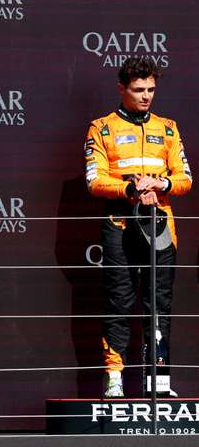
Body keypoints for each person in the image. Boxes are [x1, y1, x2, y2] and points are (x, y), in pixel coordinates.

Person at [84, 56, 191, 397]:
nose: (146, 96)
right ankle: (114, 379)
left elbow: (185, 178)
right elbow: (94, 181)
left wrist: (159, 184)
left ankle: (158, 382)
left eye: (151, 90)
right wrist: (130, 187)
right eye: (138, 89)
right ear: (122, 88)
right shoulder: (101, 127)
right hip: (120, 224)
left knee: (160, 304)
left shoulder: (168, 128)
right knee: (119, 301)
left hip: (161, 226)